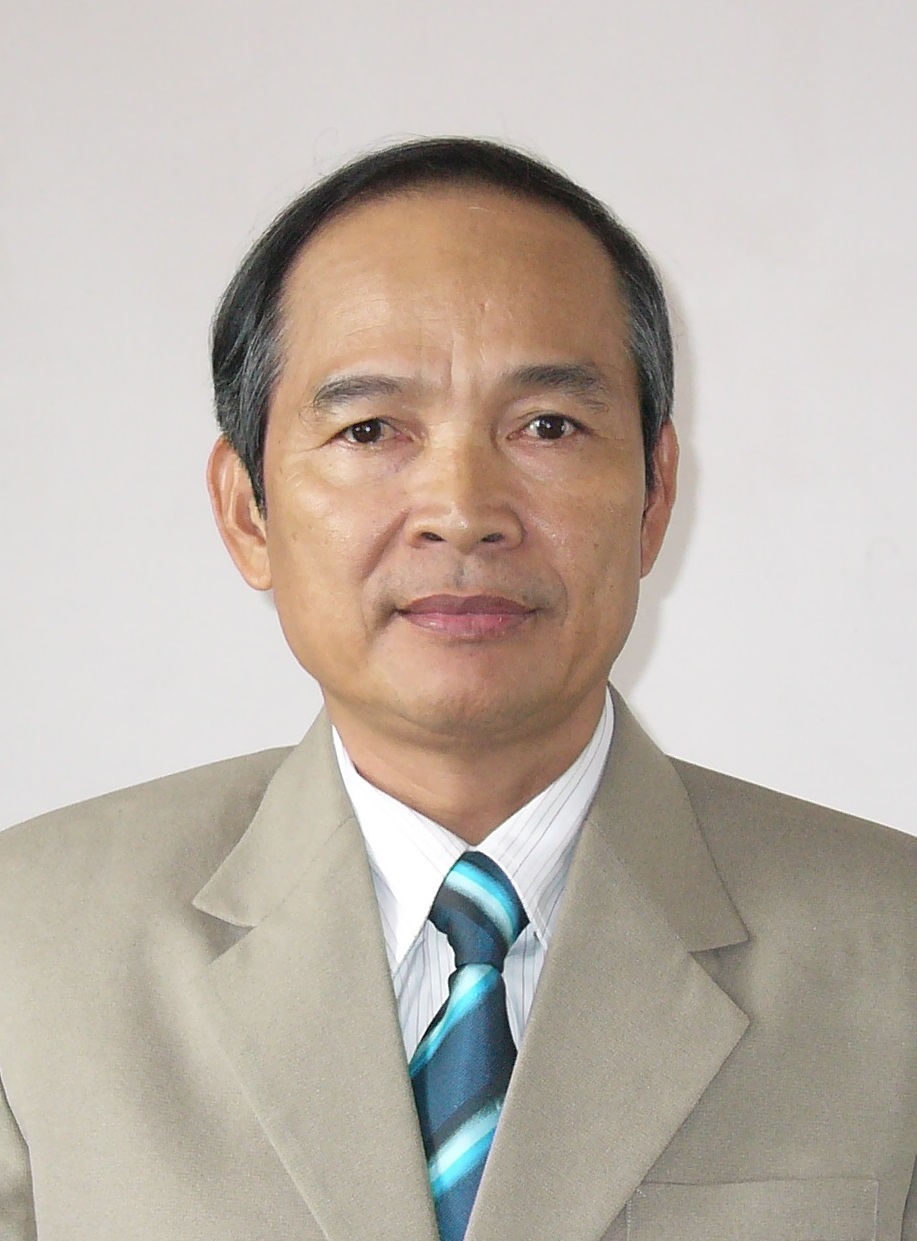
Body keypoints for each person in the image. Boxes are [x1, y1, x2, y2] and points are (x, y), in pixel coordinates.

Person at [1, 137, 915, 1241]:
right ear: (247, 511)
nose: (462, 510)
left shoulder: (893, 955)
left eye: (547, 426)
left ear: (653, 494)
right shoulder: (27, 954)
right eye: (370, 429)